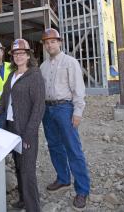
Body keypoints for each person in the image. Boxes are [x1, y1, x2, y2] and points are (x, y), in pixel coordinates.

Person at [40, 28, 90, 210]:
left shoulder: (70, 62)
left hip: (65, 108)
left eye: (53, 41)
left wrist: (78, 112)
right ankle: (63, 178)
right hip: (48, 110)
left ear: (59, 42)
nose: (49, 44)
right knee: (54, 146)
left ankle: (83, 190)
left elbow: (78, 88)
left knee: (73, 149)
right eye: (46, 42)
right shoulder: (43, 67)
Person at [0, 39, 45, 212]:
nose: (18, 56)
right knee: (18, 165)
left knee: (28, 171)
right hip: (12, 127)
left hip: (25, 130)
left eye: (22, 53)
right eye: (15, 54)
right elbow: (3, 98)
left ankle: (33, 208)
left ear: (28, 55)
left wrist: (29, 134)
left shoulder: (35, 75)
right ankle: (23, 200)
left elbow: (39, 107)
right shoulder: (12, 75)